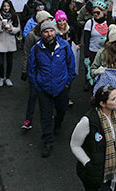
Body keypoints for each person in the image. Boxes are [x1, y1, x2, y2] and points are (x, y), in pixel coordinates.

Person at [28, 19, 76, 158]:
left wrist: (68, 83)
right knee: (45, 116)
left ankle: (58, 124)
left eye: (51, 31)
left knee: (62, 109)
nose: (49, 34)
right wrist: (37, 86)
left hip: (62, 87)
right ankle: (48, 141)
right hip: (44, 89)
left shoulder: (64, 46)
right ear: (41, 33)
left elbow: (71, 65)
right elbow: (32, 69)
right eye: (46, 32)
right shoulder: (36, 49)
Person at [71, 85, 116, 190]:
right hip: (95, 174)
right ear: (102, 103)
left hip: (115, 170)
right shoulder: (88, 121)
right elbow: (75, 145)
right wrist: (88, 163)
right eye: (113, 99)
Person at [0, 0, 20, 87]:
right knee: (0, 62)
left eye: (8, 6)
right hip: (0, 41)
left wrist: (12, 30)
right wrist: (1, 27)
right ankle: (1, 77)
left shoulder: (14, 16)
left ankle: (8, 77)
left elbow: (18, 28)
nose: (6, 8)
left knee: (9, 61)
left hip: (10, 41)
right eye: (4, 6)